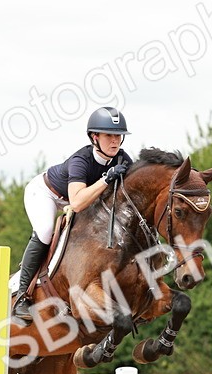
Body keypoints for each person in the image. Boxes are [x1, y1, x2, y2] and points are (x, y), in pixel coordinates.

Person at [12, 106, 134, 324]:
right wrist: (106, 179)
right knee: (46, 231)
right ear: (94, 137)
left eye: (118, 136)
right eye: (109, 136)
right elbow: (77, 202)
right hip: (48, 193)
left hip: (80, 199)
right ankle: (22, 296)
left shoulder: (122, 159)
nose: (115, 141)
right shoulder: (81, 160)